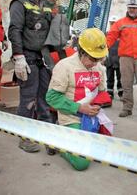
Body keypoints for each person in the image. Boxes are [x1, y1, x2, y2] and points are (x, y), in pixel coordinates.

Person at [46, 28, 108, 171]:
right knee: (81, 163)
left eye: (99, 59)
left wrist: (99, 104)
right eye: (92, 58)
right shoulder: (65, 66)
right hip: (71, 119)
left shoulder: (98, 67)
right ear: (81, 52)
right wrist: (80, 108)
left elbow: (102, 92)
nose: (95, 63)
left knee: (104, 152)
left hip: (91, 118)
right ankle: (59, 141)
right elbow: (51, 97)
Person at [8, 0, 53, 153]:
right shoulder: (19, 4)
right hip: (27, 57)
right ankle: (25, 137)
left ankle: (46, 134)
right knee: (28, 98)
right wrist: (18, 57)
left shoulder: (45, 4)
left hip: (44, 58)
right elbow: (14, 30)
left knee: (44, 97)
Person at [105, 15, 123, 99]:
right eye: (111, 23)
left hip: (119, 60)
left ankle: (121, 92)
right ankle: (110, 93)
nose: (113, 25)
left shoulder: (122, 35)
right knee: (109, 78)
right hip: (109, 60)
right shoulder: (106, 35)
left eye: (114, 23)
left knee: (121, 78)